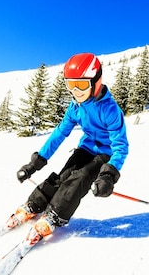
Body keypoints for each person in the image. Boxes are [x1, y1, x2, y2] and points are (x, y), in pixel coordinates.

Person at [7, 52, 129, 240]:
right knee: (63, 176)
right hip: (85, 149)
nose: (75, 91)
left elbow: (121, 145)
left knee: (79, 179)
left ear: (96, 81)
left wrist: (108, 175)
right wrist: (37, 162)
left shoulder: (110, 109)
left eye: (80, 85)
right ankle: (34, 203)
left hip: (105, 155)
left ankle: (55, 214)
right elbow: (59, 134)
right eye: (71, 85)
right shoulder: (75, 107)